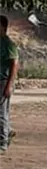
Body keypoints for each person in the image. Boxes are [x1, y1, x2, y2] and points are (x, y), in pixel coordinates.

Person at [0, 15, 19, 154]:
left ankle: (3, 142)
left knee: (2, 113)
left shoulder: (8, 44)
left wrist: (9, 85)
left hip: (3, 81)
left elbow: (14, 64)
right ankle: (8, 131)